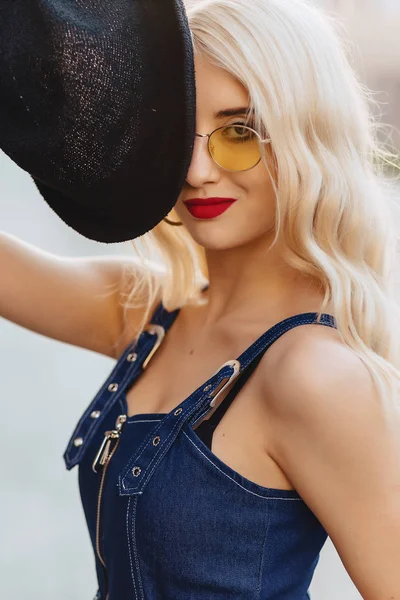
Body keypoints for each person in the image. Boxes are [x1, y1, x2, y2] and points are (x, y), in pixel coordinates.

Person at [1, 0, 400, 598]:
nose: (195, 170)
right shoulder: (151, 313)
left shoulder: (315, 375)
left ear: (304, 140)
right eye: (175, 137)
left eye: (239, 133)